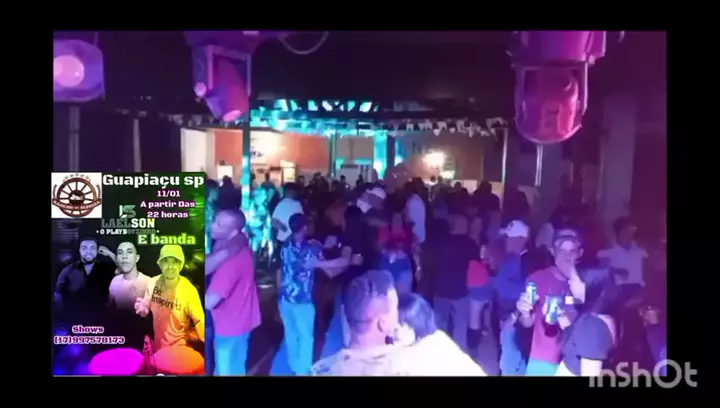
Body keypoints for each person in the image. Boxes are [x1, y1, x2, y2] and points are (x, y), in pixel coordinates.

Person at [279, 213, 360, 375]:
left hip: (285, 298)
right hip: (303, 300)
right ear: (304, 228)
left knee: (291, 333)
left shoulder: (285, 245)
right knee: (306, 337)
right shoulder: (312, 249)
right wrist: (350, 261)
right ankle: (303, 371)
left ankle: (293, 365)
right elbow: (331, 272)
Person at [515, 232, 585, 376]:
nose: (567, 257)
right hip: (543, 359)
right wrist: (524, 313)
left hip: (576, 361)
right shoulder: (537, 278)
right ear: (553, 252)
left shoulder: (588, 282)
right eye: (562, 251)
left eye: (572, 251)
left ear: (580, 253)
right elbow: (527, 323)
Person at [206, 210, 260, 375]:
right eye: (215, 221)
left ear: (233, 232)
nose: (212, 226)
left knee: (226, 370)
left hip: (228, 326)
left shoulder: (229, 262)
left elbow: (210, 301)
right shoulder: (241, 248)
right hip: (242, 321)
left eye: (219, 225)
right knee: (236, 367)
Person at [134, 244, 205, 352]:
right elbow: (145, 310)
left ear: (181, 264)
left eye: (175, 261)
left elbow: (200, 321)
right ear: (160, 264)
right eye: (166, 261)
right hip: (157, 349)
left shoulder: (189, 290)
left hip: (179, 350)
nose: (170, 266)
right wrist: (141, 309)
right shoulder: (153, 283)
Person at [556, 267, 618, 376]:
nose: (569, 282)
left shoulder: (592, 326)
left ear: (588, 287)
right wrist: (566, 326)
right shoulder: (590, 319)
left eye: (574, 279)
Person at [430, 214, 479, 352]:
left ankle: (437, 352)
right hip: (460, 289)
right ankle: (459, 354)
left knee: (439, 325)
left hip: (440, 288)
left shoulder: (439, 241)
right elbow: (477, 263)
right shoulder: (469, 243)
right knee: (460, 326)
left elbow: (430, 262)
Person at [493, 220, 531, 376]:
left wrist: (514, 316)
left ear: (522, 239)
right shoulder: (512, 259)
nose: (506, 242)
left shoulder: (526, 262)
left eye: (510, 238)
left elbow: (527, 291)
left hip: (514, 319)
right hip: (507, 315)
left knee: (511, 361)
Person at [54, 237, 116, 325]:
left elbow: (125, 271)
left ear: (97, 251)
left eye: (92, 248)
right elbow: (57, 295)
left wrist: (110, 254)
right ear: (79, 250)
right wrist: (61, 319)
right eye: (84, 248)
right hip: (74, 322)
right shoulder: (68, 271)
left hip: (101, 322)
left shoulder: (106, 269)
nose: (88, 251)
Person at [597, 217, 647, 287]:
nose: (632, 232)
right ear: (621, 232)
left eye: (633, 229)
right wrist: (616, 271)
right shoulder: (609, 249)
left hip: (639, 287)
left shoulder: (640, 247)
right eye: (629, 229)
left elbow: (649, 266)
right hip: (617, 289)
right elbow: (601, 271)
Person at [108, 241, 151, 311]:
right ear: (117, 259)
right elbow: (108, 306)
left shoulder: (149, 283)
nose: (124, 256)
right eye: (120, 253)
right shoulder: (115, 281)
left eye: (129, 252)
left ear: (137, 258)